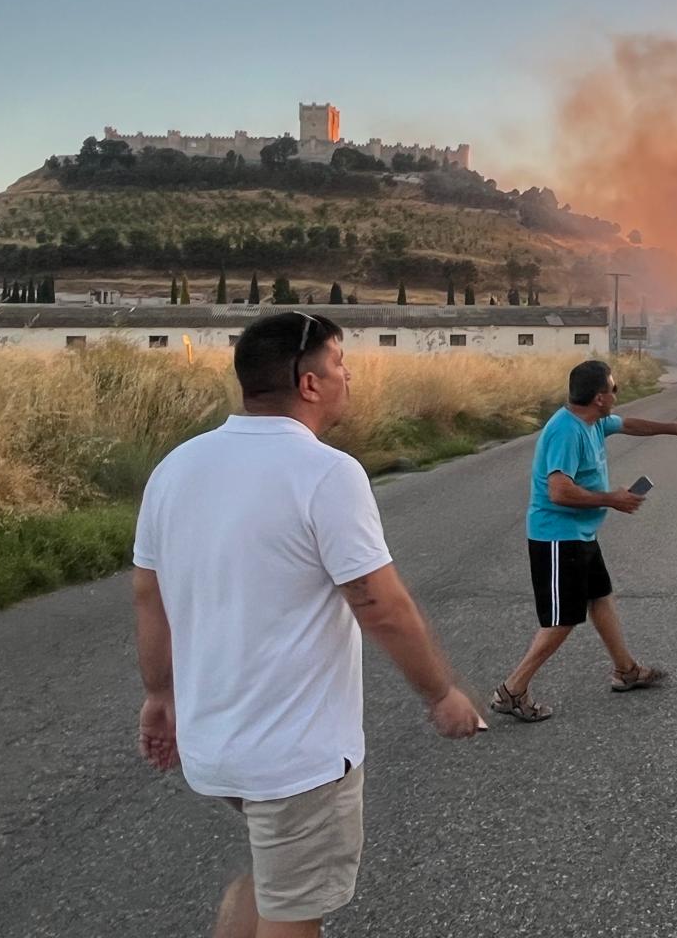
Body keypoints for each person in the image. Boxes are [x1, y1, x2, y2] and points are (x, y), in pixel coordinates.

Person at [133, 311, 486, 938]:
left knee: (276, 878)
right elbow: (379, 605)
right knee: (292, 905)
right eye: (339, 363)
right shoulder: (326, 472)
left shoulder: (177, 467)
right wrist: (441, 693)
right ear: (309, 383)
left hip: (217, 747)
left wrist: (160, 694)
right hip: (295, 759)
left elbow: (148, 594)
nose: (349, 375)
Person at [492, 359, 677, 722]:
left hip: (581, 534)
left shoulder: (594, 421)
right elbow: (558, 491)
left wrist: (674, 428)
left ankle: (626, 671)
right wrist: (611, 499)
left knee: (600, 598)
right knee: (562, 621)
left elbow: (628, 424)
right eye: (613, 389)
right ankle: (512, 690)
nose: (617, 394)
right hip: (557, 537)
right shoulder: (566, 432)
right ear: (600, 398)